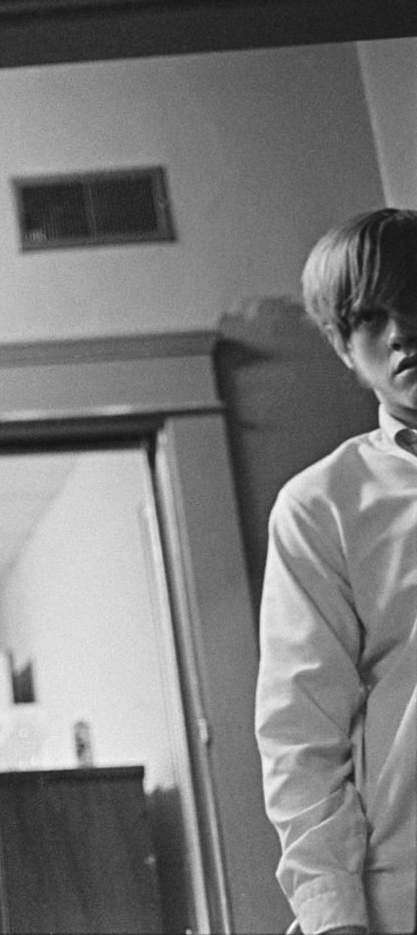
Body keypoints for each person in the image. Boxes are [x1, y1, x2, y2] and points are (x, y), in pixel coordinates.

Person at [255, 206, 417, 935]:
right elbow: (300, 731)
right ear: (342, 348)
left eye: (415, 297)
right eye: (369, 316)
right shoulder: (321, 507)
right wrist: (333, 918)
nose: (401, 331)